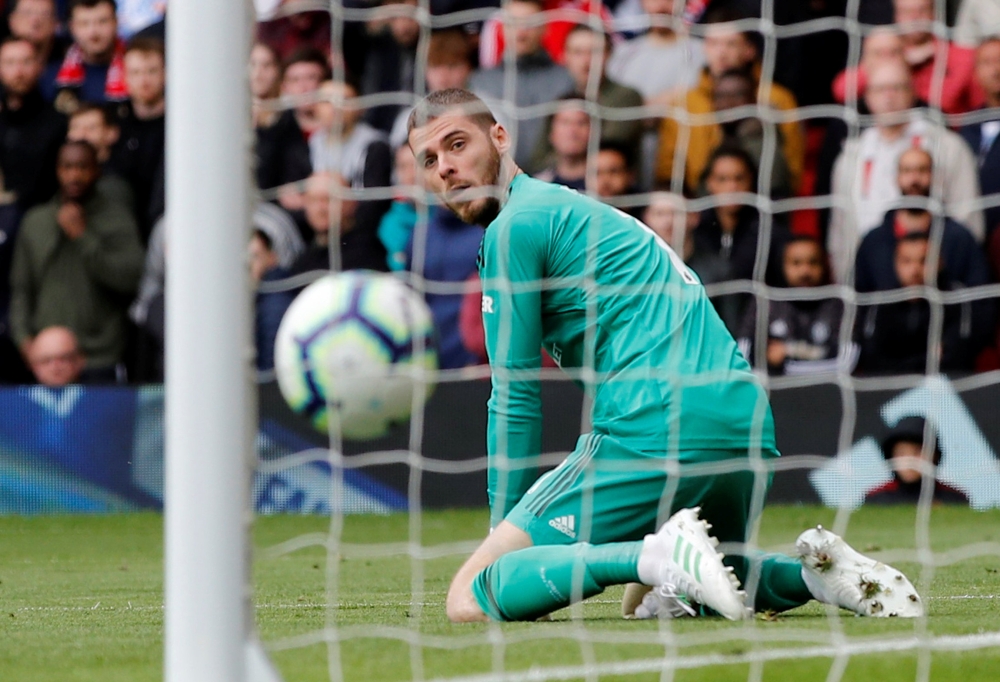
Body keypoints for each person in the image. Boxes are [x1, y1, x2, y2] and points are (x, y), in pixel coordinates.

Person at [407, 88, 923, 625]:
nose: (445, 167)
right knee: (680, 594)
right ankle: (819, 576)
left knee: (468, 596)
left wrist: (502, 535)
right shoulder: (578, 210)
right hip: (743, 430)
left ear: (500, 136)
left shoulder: (516, 225)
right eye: (430, 159)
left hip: (654, 424)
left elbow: (514, 394)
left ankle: (654, 555)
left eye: (456, 144)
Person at [827, 60, 983, 284]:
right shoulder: (851, 156)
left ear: (913, 92)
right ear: (867, 97)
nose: (888, 96)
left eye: (897, 87)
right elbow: (840, 231)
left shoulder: (947, 146)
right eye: (880, 89)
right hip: (872, 277)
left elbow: (968, 216)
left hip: (937, 277)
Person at [9, 140, 144, 381]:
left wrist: (83, 237)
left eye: (83, 167)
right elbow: (21, 289)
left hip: (100, 357)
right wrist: (25, 342)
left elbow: (131, 280)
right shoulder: (36, 221)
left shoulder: (117, 219)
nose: (74, 175)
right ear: (57, 170)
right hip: (47, 359)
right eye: (67, 167)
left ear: (97, 170)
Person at [654, 7, 804, 196]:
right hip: (697, 211)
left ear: (749, 50)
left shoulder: (777, 99)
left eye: (731, 44)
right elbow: (668, 169)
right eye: (713, 43)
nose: (721, 53)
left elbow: (792, 168)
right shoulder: (684, 103)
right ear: (704, 48)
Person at [854, 148, 992, 294]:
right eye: (907, 171)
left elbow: (980, 299)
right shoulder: (874, 241)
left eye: (922, 170)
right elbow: (859, 300)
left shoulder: (959, 239)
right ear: (896, 178)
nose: (914, 179)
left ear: (935, 177)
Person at [468, 0, 575, 172]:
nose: (521, 32)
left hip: (552, 180)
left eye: (530, 24)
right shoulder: (480, 82)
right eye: (513, 23)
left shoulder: (566, 79)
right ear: (502, 28)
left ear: (544, 29)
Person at [855, 234, 985, 375]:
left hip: (943, 391)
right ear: (895, 263)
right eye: (906, 261)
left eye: (924, 261)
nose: (915, 270)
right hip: (891, 391)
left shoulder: (955, 298)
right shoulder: (882, 301)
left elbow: (957, 360)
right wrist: (928, 358)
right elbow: (872, 363)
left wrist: (900, 363)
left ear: (940, 262)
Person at [694, 144, 787, 334]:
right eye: (722, 179)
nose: (732, 187)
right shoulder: (694, 230)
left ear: (751, 181)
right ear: (709, 183)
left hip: (756, 331)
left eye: (739, 178)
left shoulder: (770, 233)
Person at [832, 0, 979, 115]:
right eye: (906, 12)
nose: (914, 18)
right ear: (896, 15)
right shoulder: (886, 49)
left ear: (935, 12)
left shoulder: (960, 56)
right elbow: (841, 92)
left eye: (922, 10)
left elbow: (978, 107)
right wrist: (892, 63)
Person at [737, 237, 855, 376]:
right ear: (782, 265)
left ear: (824, 266)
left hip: (826, 393)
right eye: (796, 263)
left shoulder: (840, 305)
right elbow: (743, 356)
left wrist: (786, 362)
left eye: (813, 263)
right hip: (772, 393)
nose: (805, 271)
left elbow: (846, 362)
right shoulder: (764, 304)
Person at [0, 36, 67, 212]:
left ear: (40, 66)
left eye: (26, 62)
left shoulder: (59, 122)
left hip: (42, 216)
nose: (19, 72)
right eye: (10, 63)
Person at [111, 35, 164, 241]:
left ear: (165, 73)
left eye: (151, 71)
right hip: (125, 230)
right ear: (125, 77)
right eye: (136, 72)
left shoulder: (182, 126)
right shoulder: (115, 125)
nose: (144, 80)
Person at [710, 68, 791, 199]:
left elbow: (774, 201)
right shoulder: (725, 137)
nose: (728, 103)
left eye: (737, 95)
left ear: (753, 99)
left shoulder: (762, 145)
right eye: (720, 96)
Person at [289, 172, 388, 276]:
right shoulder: (303, 261)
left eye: (328, 199)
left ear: (351, 203)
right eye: (313, 200)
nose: (320, 209)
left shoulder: (367, 253)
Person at [606, 0, 704, 104]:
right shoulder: (622, 53)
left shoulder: (703, 52)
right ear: (643, 3)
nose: (660, 7)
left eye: (669, 0)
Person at [866, 417, 969, 504]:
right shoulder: (875, 498)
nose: (909, 460)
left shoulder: (954, 498)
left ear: (935, 455)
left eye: (918, 452)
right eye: (901, 453)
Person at [53, 0, 127, 112]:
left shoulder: (138, 70)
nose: (93, 33)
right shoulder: (54, 77)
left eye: (102, 22)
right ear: (72, 28)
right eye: (84, 24)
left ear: (116, 22)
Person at [959, 36, 1000, 239]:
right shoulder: (967, 126)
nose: (996, 69)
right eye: (987, 62)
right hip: (974, 238)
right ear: (975, 73)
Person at [250, 228, 296, 373]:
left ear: (272, 258)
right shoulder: (256, 300)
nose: (248, 264)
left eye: (255, 256)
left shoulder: (275, 308)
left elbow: (269, 375)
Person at [534, 97, 590, 191]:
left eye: (580, 123)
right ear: (551, 133)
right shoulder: (537, 186)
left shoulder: (606, 188)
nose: (573, 131)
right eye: (565, 122)